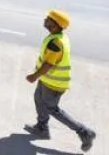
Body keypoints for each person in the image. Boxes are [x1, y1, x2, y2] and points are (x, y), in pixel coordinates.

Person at [25, 9, 96, 152]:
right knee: (38, 99)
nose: (45, 19)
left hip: (54, 83)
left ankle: (84, 132)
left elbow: (49, 64)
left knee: (53, 109)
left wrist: (35, 76)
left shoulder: (56, 42)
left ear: (55, 24)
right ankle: (42, 127)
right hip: (48, 79)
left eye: (48, 18)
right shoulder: (57, 36)